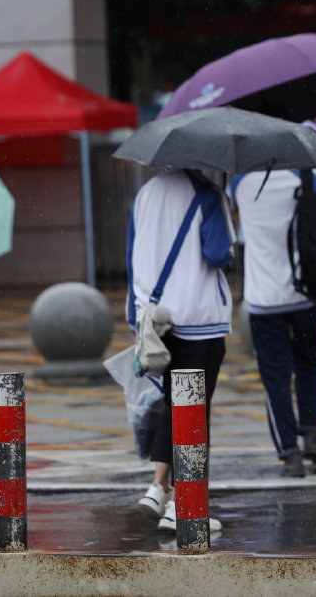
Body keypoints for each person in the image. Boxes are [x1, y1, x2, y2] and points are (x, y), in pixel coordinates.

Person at [128, 169, 234, 532]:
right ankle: (184, 505)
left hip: (154, 318)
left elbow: (132, 255)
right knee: (194, 413)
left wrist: (134, 316)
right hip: (198, 319)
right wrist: (227, 224)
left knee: (173, 404)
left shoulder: (145, 193)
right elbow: (217, 254)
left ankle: (157, 488)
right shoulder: (209, 194)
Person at [229, 169, 316, 477]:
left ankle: (290, 453)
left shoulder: (239, 181)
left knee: (275, 377)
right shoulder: (307, 175)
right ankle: (312, 436)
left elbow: (228, 225)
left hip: (263, 299)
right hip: (305, 290)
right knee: (309, 363)